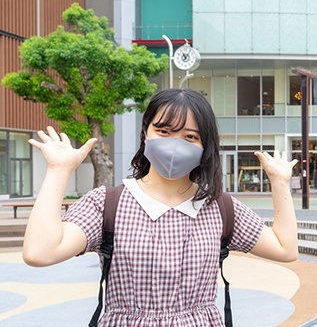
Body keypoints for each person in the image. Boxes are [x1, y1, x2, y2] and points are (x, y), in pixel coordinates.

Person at [22, 88, 299, 326]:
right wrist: (58, 171)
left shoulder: (220, 207)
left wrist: (279, 182)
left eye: (190, 137)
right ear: (145, 135)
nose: (174, 144)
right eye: (164, 131)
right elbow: (40, 253)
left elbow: (285, 249)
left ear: (206, 146)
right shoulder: (107, 204)